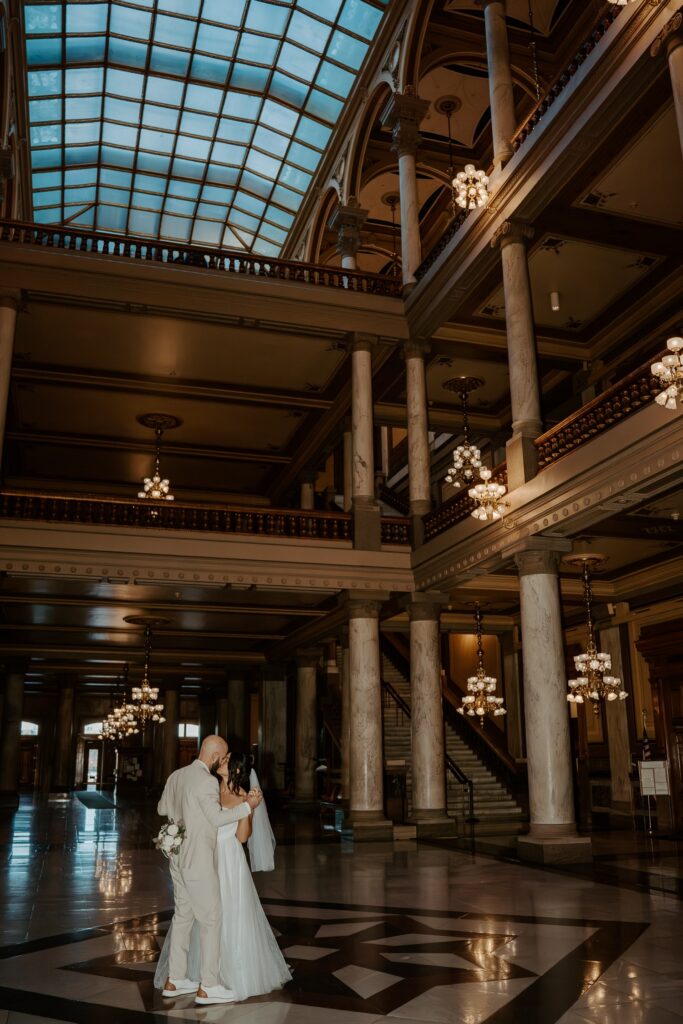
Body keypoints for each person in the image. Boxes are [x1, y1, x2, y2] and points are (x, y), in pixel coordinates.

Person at [155, 750, 292, 1002]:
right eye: (223, 757)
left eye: (228, 760)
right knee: (199, 916)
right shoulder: (208, 786)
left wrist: (247, 809)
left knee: (226, 914)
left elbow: (241, 838)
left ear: (237, 769)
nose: (222, 762)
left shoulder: (242, 796)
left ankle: (226, 974)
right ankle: (199, 977)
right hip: (201, 859)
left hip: (228, 861)